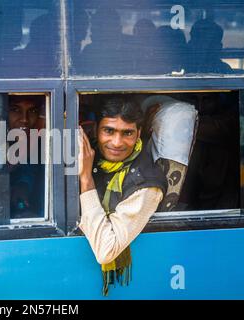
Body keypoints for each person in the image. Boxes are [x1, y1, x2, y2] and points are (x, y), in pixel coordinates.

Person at [78, 96, 167, 295]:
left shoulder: (147, 184)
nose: (117, 143)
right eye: (109, 131)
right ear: (95, 130)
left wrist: (86, 180)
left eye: (127, 133)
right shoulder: (90, 154)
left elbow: (106, 251)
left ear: (138, 134)